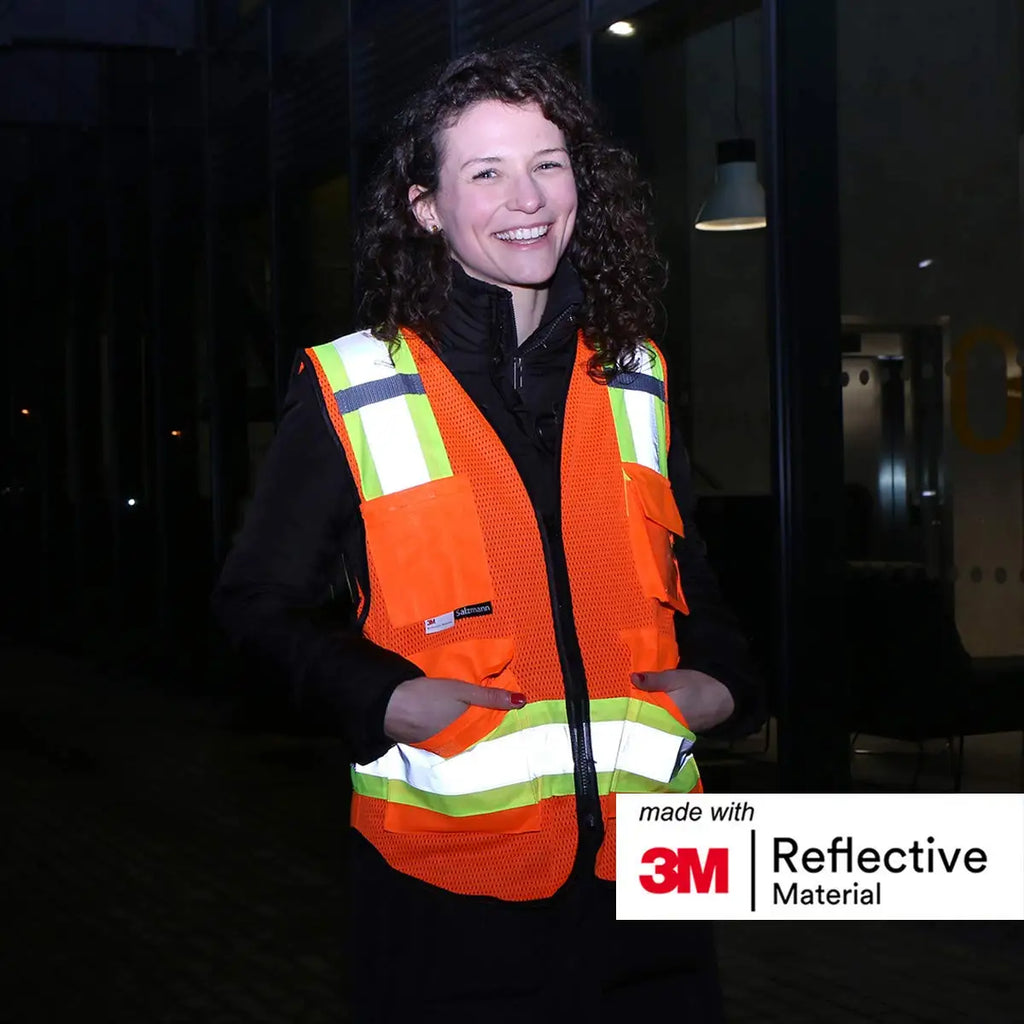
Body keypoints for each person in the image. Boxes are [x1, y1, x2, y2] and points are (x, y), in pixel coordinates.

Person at [213, 46, 764, 1024]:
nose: (529, 199)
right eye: (487, 172)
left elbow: (694, 580)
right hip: (449, 891)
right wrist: (382, 697)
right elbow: (256, 607)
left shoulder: (635, 373)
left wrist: (725, 682)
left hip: (661, 874)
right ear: (426, 207)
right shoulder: (353, 383)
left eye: (549, 164)